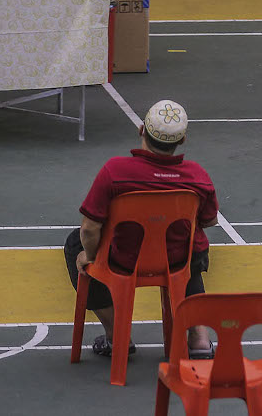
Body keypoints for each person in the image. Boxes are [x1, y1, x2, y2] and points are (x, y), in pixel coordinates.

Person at [64, 99, 219, 359]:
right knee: (193, 246)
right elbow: (209, 220)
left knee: (75, 244)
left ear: (141, 131)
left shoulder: (115, 171)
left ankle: (116, 336)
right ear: (182, 141)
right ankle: (199, 338)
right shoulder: (197, 176)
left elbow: (90, 228)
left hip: (124, 260)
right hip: (176, 262)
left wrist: (89, 256)